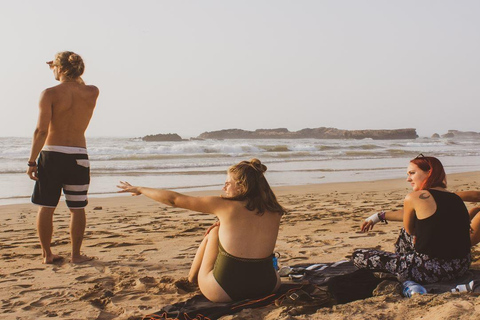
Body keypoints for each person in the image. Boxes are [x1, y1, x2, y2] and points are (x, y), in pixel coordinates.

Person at [117, 159, 285, 302]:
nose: (223, 188)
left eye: (228, 184)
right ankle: (195, 278)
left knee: (214, 232)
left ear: (241, 187)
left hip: (224, 290)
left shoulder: (225, 206)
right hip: (268, 286)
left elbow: (174, 200)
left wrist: (140, 189)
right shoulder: (275, 210)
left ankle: (191, 279)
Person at [27, 51, 99, 264]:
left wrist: (32, 161)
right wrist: (62, 69)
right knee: (77, 208)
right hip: (78, 156)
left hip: (52, 156)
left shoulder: (49, 93)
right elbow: (78, 84)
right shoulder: (92, 92)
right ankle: (76, 255)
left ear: (60, 68)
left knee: (46, 207)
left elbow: (41, 131)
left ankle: (47, 254)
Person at [352, 155, 472, 284]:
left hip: (430, 270)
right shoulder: (455, 198)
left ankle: (403, 265)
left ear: (429, 172)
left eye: (412, 173)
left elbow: (410, 230)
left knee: (358, 255)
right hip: (461, 267)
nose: (408, 179)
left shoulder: (414, 197)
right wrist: (379, 216)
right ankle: (403, 261)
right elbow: (427, 216)